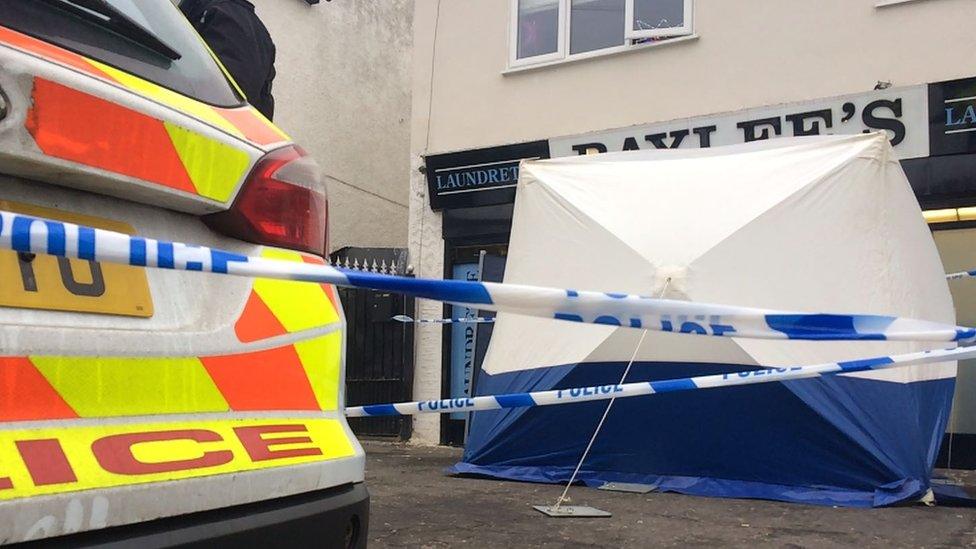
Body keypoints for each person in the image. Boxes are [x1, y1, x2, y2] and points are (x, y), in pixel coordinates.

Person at [179, 0, 276, 120]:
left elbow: (219, 91)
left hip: (201, 123)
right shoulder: (261, 34)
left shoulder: (218, 13)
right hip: (239, 130)